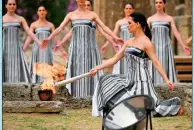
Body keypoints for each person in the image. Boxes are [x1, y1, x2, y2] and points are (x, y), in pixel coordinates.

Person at [90, 12, 183, 117]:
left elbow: (156, 62)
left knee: (148, 111)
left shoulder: (147, 43)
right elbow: (114, 59)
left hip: (141, 83)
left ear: (138, 24)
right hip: (129, 81)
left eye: (129, 23)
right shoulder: (128, 42)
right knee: (105, 80)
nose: (127, 26)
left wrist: (166, 80)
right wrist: (97, 68)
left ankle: (174, 107)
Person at [40, 0, 123, 98]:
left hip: (89, 48)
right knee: (76, 69)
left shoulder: (92, 15)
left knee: (91, 69)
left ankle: (92, 95)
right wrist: (49, 38)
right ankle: (75, 96)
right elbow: (60, 28)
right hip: (76, 48)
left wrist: (115, 38)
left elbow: (104, 28)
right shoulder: (71, 15)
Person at [147, 0, 190, 85]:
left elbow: (175, 32)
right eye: (156, 2)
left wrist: (183, 45)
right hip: (154, 47)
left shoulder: (169, 18)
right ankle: (154, 85)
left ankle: (168, 85)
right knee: (155, 65)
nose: (158, 4)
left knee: (166, 65)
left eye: (160, 2)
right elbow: (146, 34)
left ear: (164, 4)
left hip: (166, 46)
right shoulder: (150, 19)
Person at [23, 5, 66, 84]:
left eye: (43, 10)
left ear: (46, 12)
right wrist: (23, 50)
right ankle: (35, 84)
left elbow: (55, 38)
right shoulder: (33, 25)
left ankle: (46, 85)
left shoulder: (50, 25)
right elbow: (29, 38)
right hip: (37, 50)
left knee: (47, 67)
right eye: (40, 10)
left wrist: (62, 51)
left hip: (46, 51)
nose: (41, 12)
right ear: (37, 13)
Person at [3, 0, 42, 83]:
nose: (12, 6)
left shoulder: (20, 19)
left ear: (16, 6)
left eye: (14, 4)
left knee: (16, 67)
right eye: (10, 4)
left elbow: (29, 31)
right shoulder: (2, 19)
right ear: (6, 6)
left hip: (16, 49)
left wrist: (38, 42)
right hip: (4, 48)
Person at [100, 3, 135, 74]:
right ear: (124, 10)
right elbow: (113, 34)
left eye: (130, 8)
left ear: (133, 10)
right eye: (127, 8)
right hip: (123, 46)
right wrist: (106, 45)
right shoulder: (120, 22)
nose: (128, 10)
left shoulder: (136, 22)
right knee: (122, 65)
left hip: (133, 45)